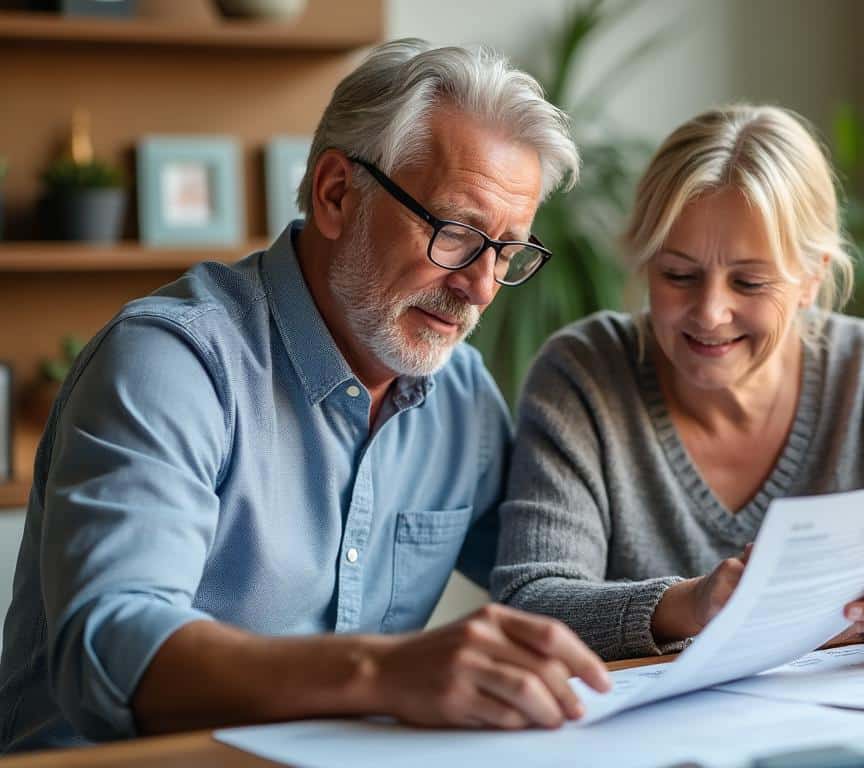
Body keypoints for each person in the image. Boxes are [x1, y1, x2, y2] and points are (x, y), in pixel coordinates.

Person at [0, 40, 611, 752]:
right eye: (455, 233)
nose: (478, 287)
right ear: (336, 194)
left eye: (505, 251)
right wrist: (383, 672)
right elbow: (110, 652)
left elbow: (545, 575)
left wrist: (690, 603)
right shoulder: (170, 363)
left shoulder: (462, 397)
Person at [491, 104, 864, 661]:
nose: (709, 312)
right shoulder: (584, 376)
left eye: (749, 283)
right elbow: (531, 601)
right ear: (646, 262)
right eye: (678, 275)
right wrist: (691, 606)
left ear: (811, 279)